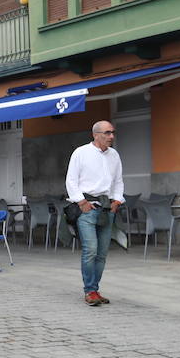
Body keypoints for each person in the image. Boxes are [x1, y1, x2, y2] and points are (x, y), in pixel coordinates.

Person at [65, 121, 124, 306]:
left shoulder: (114, 155)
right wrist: (81, 202)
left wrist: (117, 200)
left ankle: (95, 289)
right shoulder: (81, 153)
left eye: (112, 132)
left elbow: (118, 181)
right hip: (87, 209)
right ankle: (89, 290)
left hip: (107, 209)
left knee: (102, 253)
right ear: (96, 135)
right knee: (90, 250)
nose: (111, 136)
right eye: (107, 133)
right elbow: (71, 180)